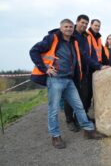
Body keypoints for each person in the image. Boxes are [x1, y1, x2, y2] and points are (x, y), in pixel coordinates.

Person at [29, 19, 105, 149]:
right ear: (61, 27)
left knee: (79, 106)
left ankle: (88, 131)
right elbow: (33, 51)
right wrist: (45, 69)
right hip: (55, 79)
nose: (69, 29)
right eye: (66, 26)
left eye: (70, 27)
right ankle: (55, 136)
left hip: (69, 79)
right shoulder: (52, 38)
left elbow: (85, 57)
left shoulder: (73, 41)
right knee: (53, 110)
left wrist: (99, 66)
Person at [64, 15, 107, 131]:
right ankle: (70, 120)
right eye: (82, 22)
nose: (84, 25)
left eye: (85, 24)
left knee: (84, 96)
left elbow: (90, 53)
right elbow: (83, 54)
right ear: (77, 22)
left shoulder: (84, 36)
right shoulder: (71, 35)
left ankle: (80, 118)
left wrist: (100, 66)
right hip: (72, 71)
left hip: (84, 70)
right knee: (70, 97)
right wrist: (97, 65)